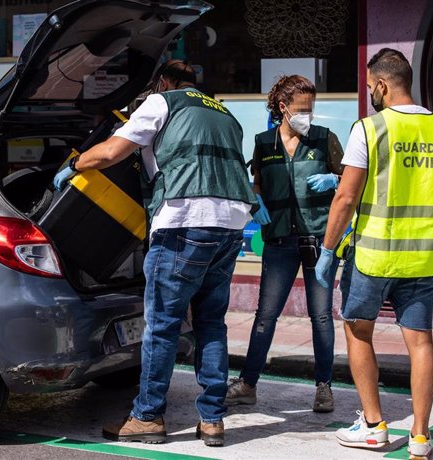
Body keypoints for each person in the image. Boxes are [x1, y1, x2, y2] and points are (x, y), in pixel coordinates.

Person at [53, 60, 255, 447]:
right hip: (231, 225)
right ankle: (212, 420)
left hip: (184, 220)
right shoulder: (224, 113)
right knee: (211, 322)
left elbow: (112, 151)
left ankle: (146, 416)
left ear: (163, 81)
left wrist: (75, 163)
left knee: (162, 323)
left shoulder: (162, 103)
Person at [314, 48, 433, 459]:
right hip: (421, 256)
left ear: (381, 84)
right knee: (420, 342)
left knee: (357, 329)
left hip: (373, 255)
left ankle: (375, 426)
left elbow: (345, 197)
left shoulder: (369, 129)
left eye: (369, 87)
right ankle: (420, 437)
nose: (370, 94)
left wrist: (327, 251)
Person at [225, 75, 343, 413]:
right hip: (278, 241)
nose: (309, 115)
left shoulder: (324, 139)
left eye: (311, 109)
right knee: (265, 316)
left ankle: (324, 387)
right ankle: (248, 384)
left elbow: (351, 178)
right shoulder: (264, 143)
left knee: (321, 316)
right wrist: (255, 200)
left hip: (318, 239)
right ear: (283, 108)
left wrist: (333, 179)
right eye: (302, 109)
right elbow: (257, 183)